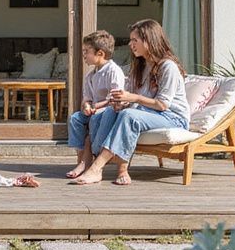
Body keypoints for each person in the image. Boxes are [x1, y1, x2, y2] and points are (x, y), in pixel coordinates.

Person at [71, 19, 189, 186]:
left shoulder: (168, 67)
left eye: (135, 40)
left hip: (173, 118)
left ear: (150, 40)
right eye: (130, 40)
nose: (130, 44)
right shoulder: (140, 66)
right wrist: (121, 102)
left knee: (129, 116)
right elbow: (131, 98)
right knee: (109, 112)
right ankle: (96, 161)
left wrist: (133, 99)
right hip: (148, 113)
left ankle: (97, 168)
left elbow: (162, 105)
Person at [66, 30, 126, 179]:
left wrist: (96, 107)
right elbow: (87, 97)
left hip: (107, 111)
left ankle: (90, 158)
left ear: (100, 53)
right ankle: (81, 159)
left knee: (95, 118)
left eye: (87, 51)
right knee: (75, 119)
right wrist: (86, 105)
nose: (84, 55)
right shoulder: (90, 75)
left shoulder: (114, 71)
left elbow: (115, 98)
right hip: (93, 110)